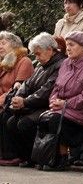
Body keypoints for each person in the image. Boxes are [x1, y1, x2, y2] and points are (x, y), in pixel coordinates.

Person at [38, 31, 83, 171]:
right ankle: (47, 157)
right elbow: (57, 87)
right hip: (68, 109)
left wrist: (66, 104)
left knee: (54, 119)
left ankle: (61, 158)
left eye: (72, 45)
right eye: (67, 45)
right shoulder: (66, 63)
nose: (68, 48)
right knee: (45, 117)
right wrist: (54, 101)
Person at [0, 33, 66, 166]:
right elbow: (27, 84)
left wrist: (24, 102)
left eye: (38, 54)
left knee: (24, 123)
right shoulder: (42, 65)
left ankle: (33, 157)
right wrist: (19, 96)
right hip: (34, 104)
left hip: (47, 105)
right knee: (11, 121)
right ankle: (24, 156)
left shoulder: (60, 65)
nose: (36, 57)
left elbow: (47, 91)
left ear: (49, 50)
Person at [0, 32, 34, 111]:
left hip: (12, 107)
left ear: (14, 45)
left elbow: (17, 90)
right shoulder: (3, 64)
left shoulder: (24, 61)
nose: (0, 47)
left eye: (3, 43)